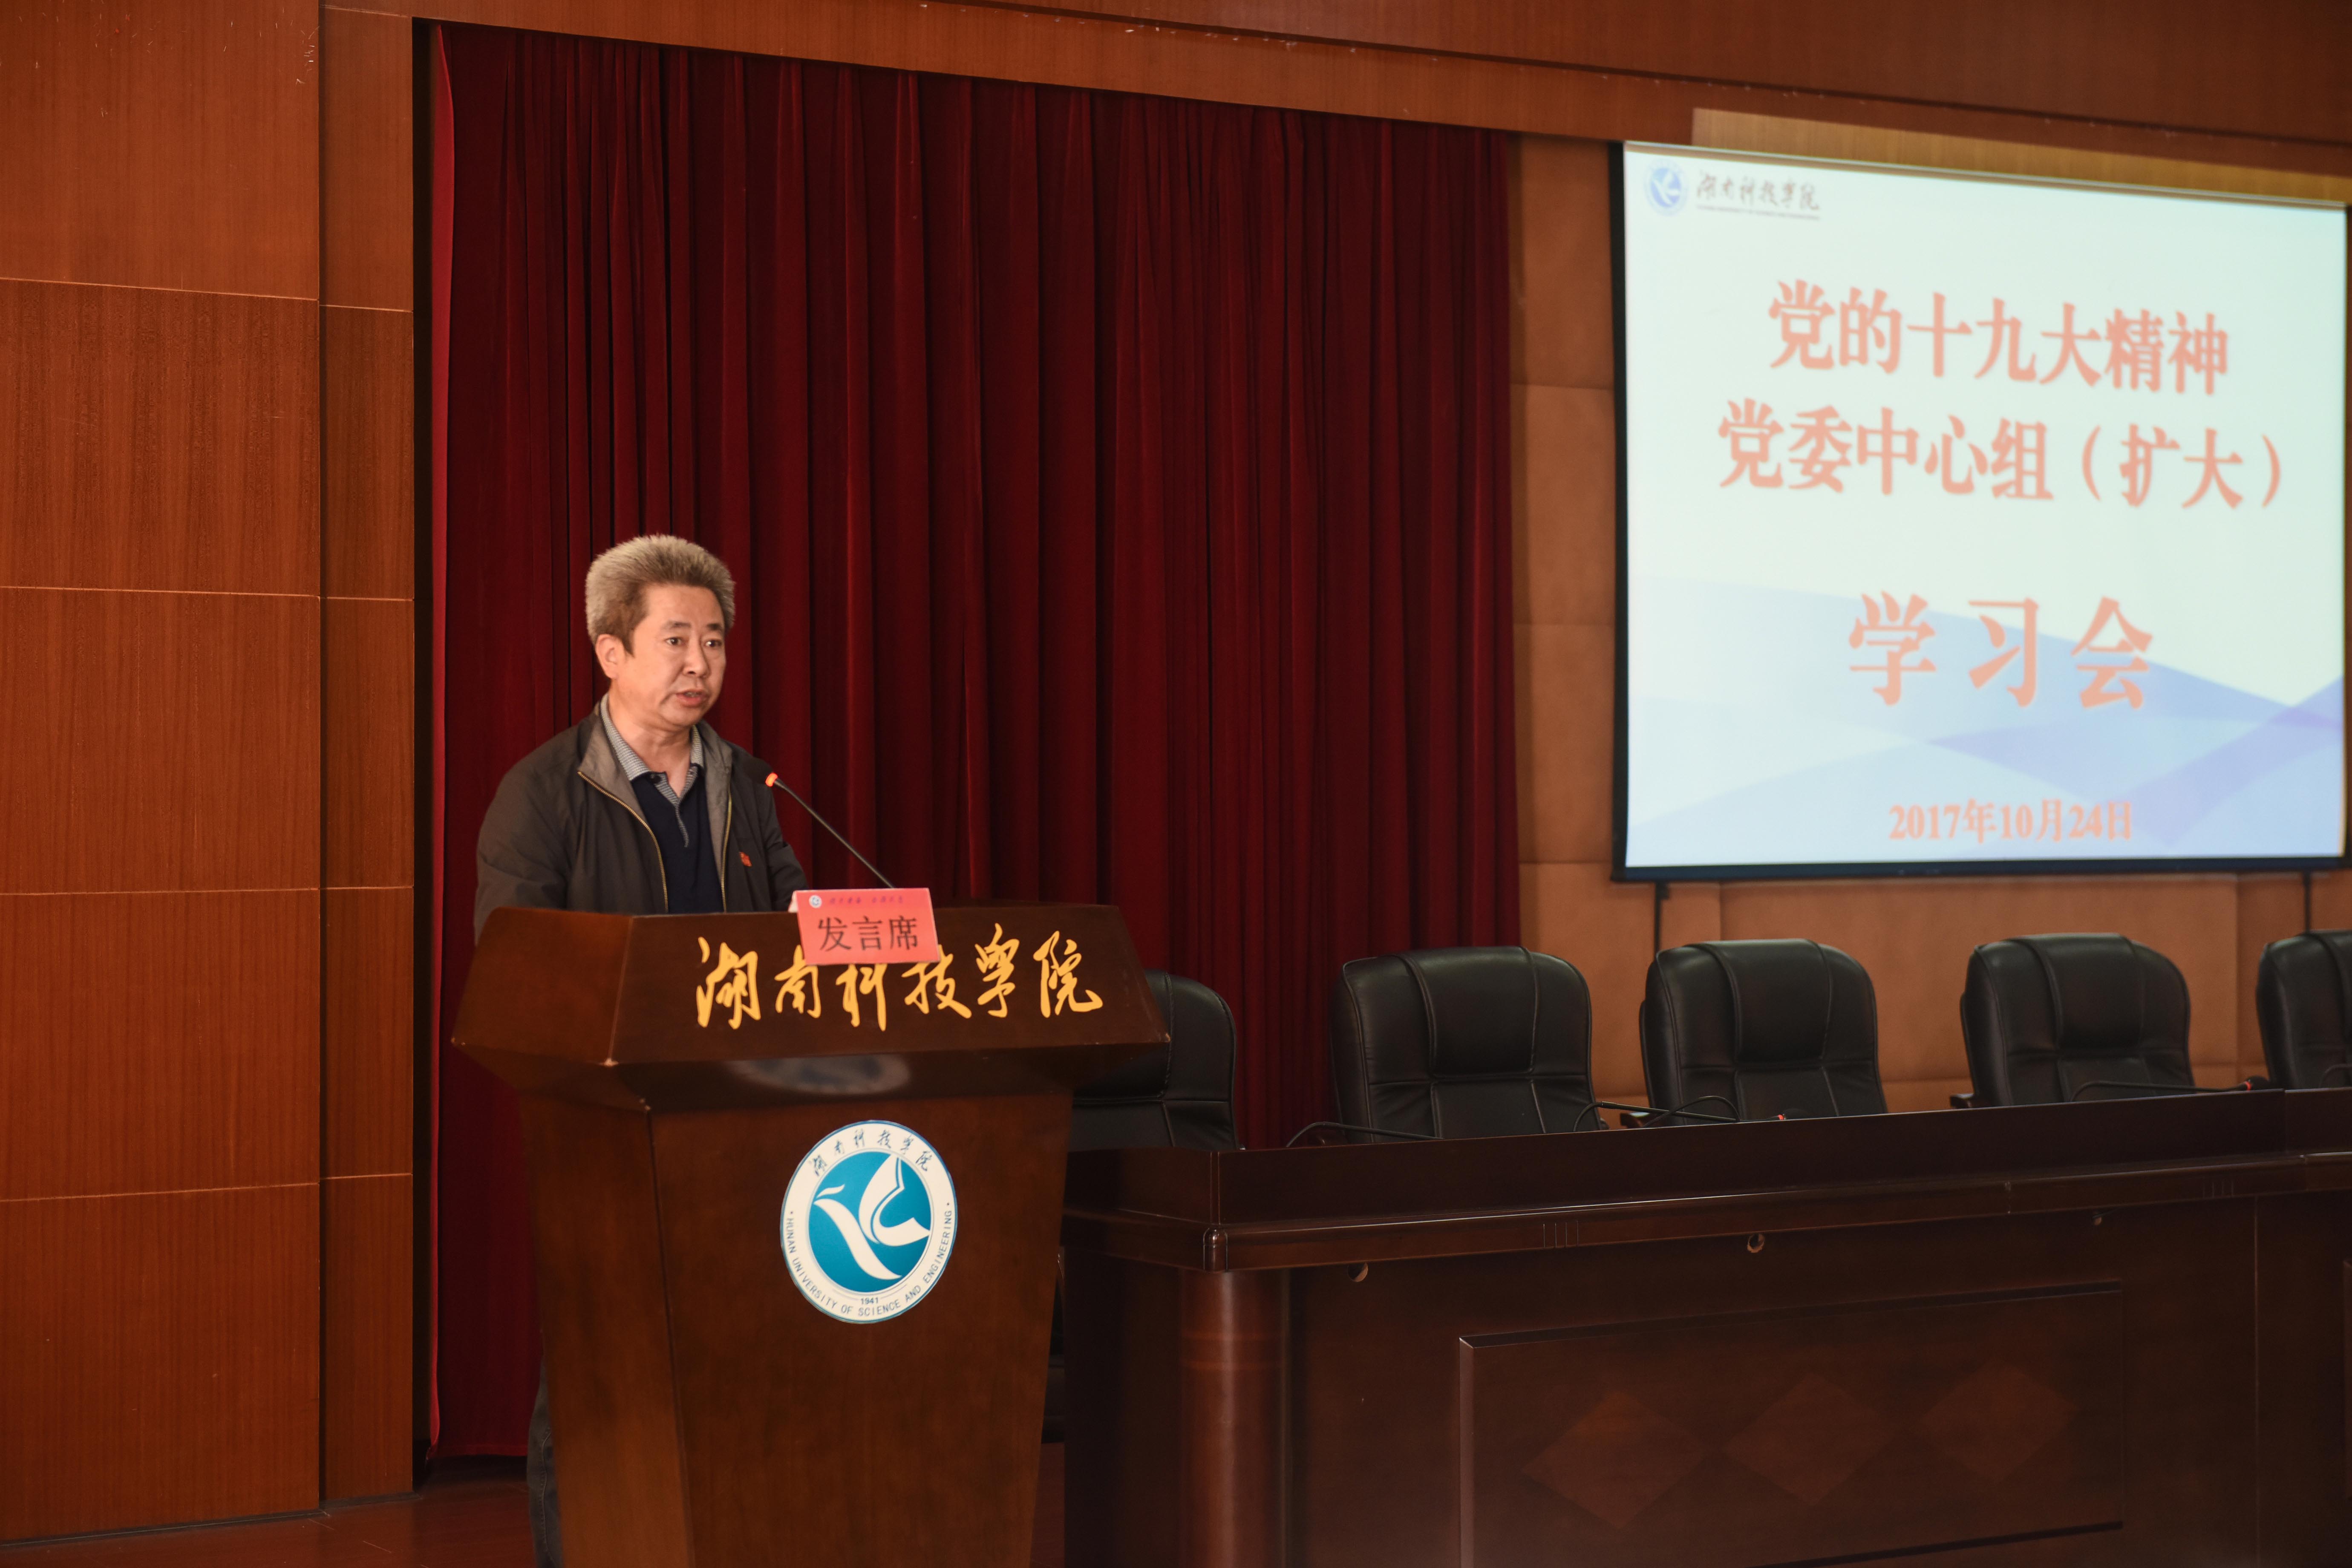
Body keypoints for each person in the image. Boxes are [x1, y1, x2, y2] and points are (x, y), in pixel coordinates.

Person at [473, 534, 809, 1568]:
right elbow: (514, 973)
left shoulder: (747, 784)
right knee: (600, 1375)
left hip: (745, 1121)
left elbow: (795, 927)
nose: (700, 663)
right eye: (676, 639)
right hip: (607, 1133)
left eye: (714, 640)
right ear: (610, 651)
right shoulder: (545, 791)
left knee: (740, 1368)